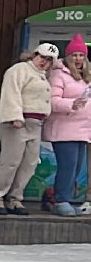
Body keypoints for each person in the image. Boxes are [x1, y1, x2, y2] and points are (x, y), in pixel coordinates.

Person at [0, 43, 59, 215]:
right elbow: (10, 92)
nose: (44, 62)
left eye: (49, 60)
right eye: (42, 57)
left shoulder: (42, 76)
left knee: (29, 163)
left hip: (36, 124)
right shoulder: (19, 70)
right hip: (18, 122)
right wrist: (15, 116)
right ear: (34, 55)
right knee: (10, 161)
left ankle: (15, 198)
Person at [46, 36, 90, 215]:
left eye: (81, 55)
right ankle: (61, 200)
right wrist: (71, 104)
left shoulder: (86, 76)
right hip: (64, 129)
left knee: (76, 168)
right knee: (68, 165)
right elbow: (52, 101)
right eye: (75, 55)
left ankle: (62, 198)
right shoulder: (59, 74)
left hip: (83, 130)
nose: (78, 59)